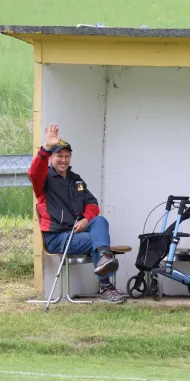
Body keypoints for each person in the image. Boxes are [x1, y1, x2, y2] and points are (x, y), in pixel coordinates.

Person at [28, 123, 125, 304]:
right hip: (57, 237)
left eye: (67, 156)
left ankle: (104, 258)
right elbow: (34, 172)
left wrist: (86, 219)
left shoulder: (76, 180)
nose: (63, 160)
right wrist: (46, 148)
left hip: (77, 231)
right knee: (97, 240)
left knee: (99, 222)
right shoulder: (44, 178)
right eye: (59, 156)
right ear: (51, 158)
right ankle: (105, 287)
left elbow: (92, 204)